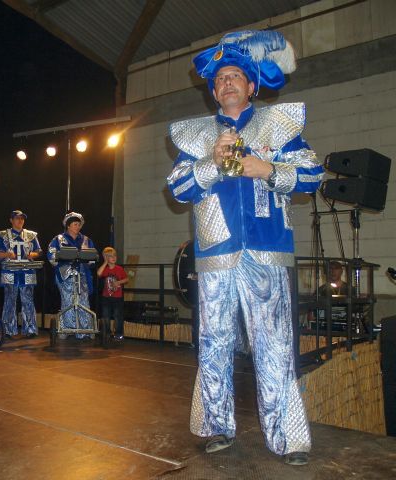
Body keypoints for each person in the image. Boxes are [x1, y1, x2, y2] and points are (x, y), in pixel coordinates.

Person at [166, 30, 324, 465]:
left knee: (274, 344)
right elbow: (177, 188)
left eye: (234, 76)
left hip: (266, 249)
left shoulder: (276, 126)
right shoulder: (198, 136)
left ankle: (287, 438)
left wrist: (268, 169)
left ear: (251, 86)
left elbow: (313, 175)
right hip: (215, 252)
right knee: (213, 342)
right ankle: (217, 427)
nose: (227, 83)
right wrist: (210, 164)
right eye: (220, 79)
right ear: (213, 91)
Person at [0, 210, 42, 338]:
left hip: (27, 270)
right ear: (11, 220)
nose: (20, 221)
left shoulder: (31, 235)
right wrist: (7, 254)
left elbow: (38, 251)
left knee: (28, 300)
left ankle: (30, 329)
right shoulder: (2, 235)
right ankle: (8, 330)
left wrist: (32, 255)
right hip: (9, 270)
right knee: (9, 299)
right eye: (17, 218)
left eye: (22, 218)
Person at [47, 212, 96, 337]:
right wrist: (61, 258)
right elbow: (51, 255)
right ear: (68, 226)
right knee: (68, 300)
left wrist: (89, 260)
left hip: (82, 274)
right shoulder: (58, 239)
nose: (78, 227)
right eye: (75, 224)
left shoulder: (86, 240)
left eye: (79, 224)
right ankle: (67, 329)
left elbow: (93, 257)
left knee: (83, 300)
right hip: (65, 274)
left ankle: (85, 330)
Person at [96, 247, 128, 340]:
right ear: (106, 258)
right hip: (106, 297)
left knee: (117, 316)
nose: (113, 257)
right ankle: (107, 333)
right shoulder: (105, 269)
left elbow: (126, 279)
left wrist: (119, 282)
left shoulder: (119, 269)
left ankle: (118, 334)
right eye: (110, 256)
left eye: (114, 255)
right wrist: (105, 262)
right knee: (106, 315)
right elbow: (98, 273)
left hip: (117, 297)